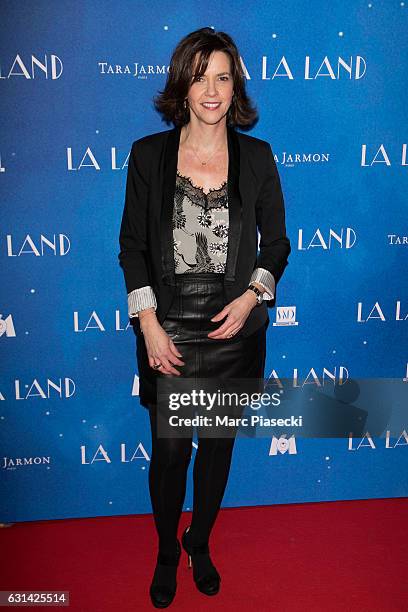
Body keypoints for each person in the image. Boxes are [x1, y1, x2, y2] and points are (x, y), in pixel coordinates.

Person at [118, 27, 291, 608]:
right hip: (166, 326)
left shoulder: (259, 158)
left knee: (217, 448)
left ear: (235, 83)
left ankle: (200, 541)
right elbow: (132, 247)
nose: (212, 89)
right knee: (170, 453)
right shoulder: (149, 155)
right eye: (200, 75)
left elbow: (276, 247)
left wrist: (250, 300)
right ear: (182, 83)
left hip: (232, 328)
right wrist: (148, 326)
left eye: (222, 75)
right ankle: (167, 548)